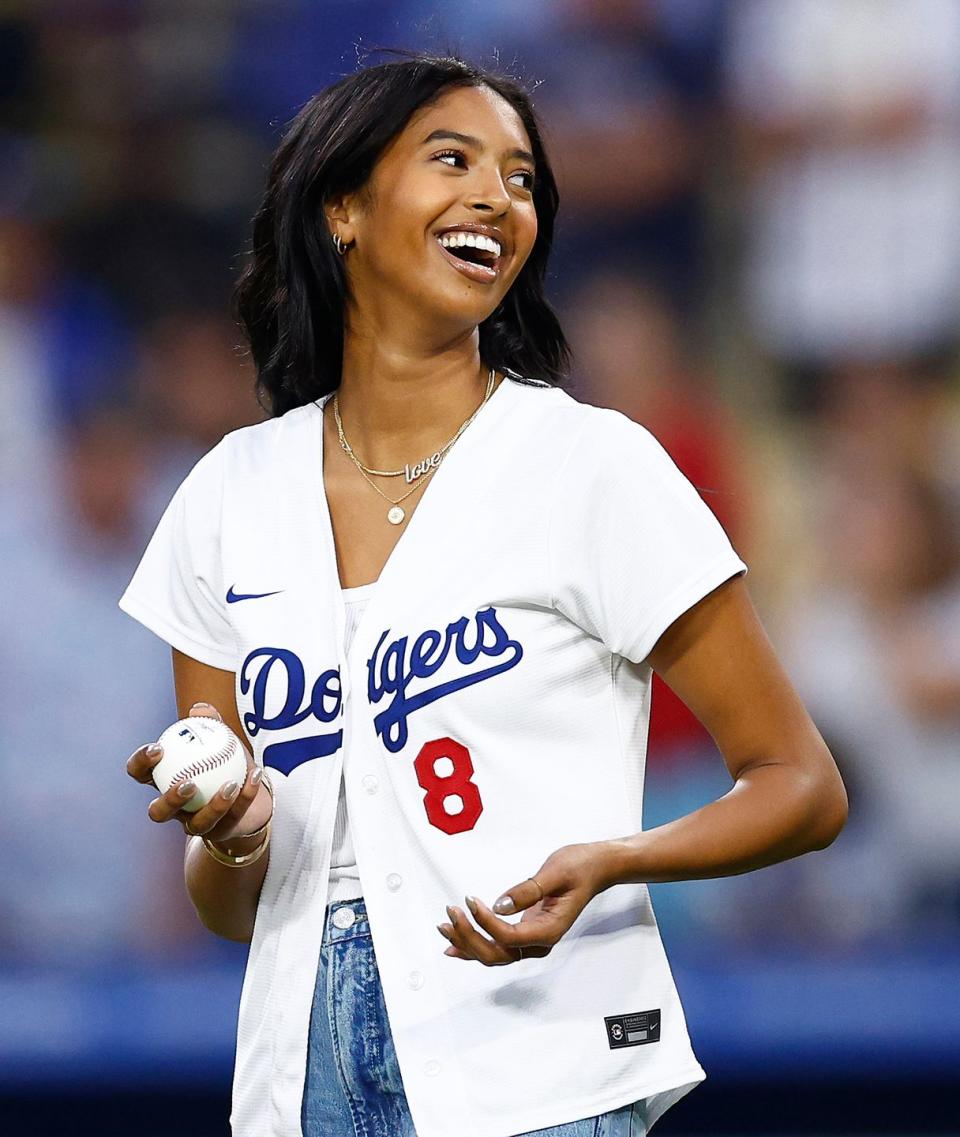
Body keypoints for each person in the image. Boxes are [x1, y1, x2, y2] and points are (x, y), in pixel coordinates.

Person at [120, 52, 848, 1137]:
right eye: (452, 160)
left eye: (518, 179)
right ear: (344, 212)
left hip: (537, 1049)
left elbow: (801, 783)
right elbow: (231, 906)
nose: (495, 198)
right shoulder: (228, 494)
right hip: (299, 1071)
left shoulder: (592, 464)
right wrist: (229, 830)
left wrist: (617, 858)